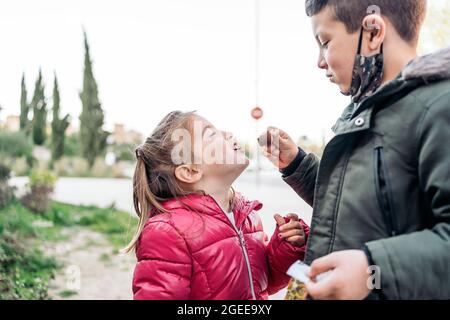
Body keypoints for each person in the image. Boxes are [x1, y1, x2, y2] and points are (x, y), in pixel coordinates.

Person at [260, 0, 450, 299]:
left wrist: (372, 268)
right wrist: (296, 163)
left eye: (325, 42)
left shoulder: (439, 108)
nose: (320, 62)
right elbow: (352, 204)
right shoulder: (364, 114)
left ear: (373, 33)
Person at [125, 111, 309, 300]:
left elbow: (263, 283)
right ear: (190, 171)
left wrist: (287, 248)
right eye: (211, 134)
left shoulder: (246, 217)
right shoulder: (167, 232)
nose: (228, 134)